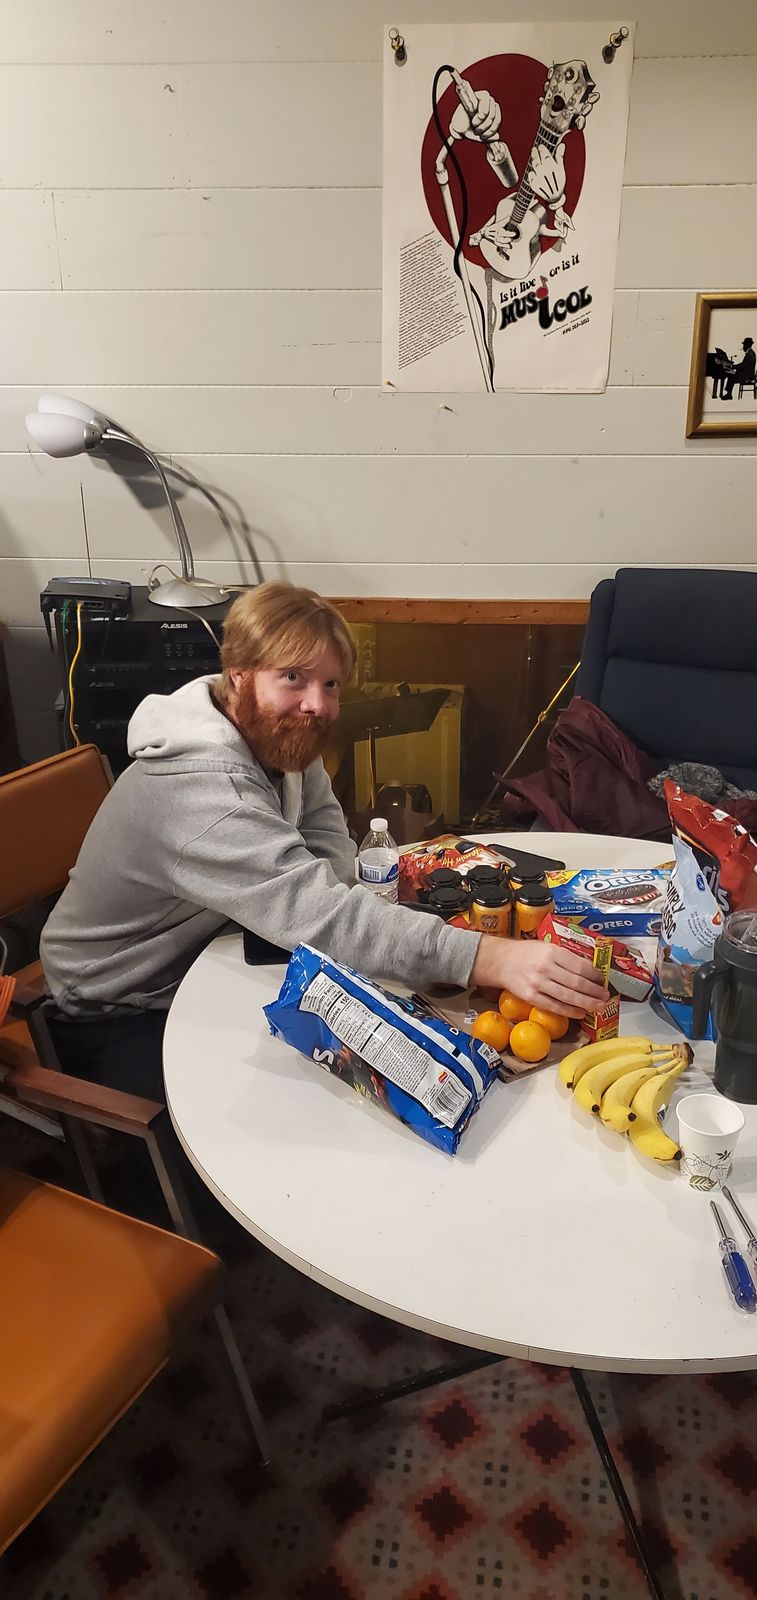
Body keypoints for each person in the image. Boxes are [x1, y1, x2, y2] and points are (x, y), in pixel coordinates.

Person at [41, 581, 605, 1099]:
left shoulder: (275, 735)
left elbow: (325, 838)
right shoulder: (204, 795)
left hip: (209, 950)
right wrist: (489, 956)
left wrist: (330, 911)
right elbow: (320, 914)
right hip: (117, 1004)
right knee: (303, 1099)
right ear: (239, 675)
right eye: (293, 677)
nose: (316, 704)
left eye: (330, 684)